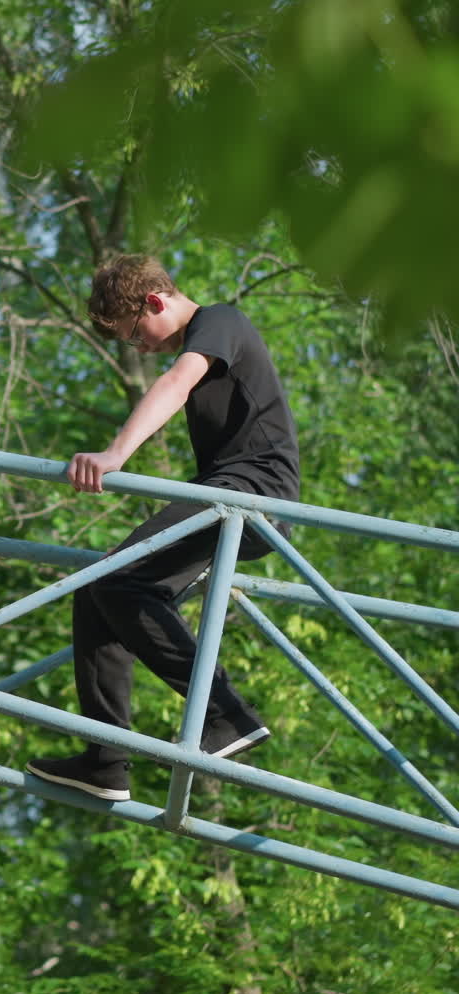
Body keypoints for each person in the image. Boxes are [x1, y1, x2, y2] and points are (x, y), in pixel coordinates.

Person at [26, 254, 300, 801]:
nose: (140, 349)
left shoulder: (220, 321)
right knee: (99, 589)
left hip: (253, 496)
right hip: (227, 496)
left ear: (155, 302)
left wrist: (115, 453)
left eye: (134, 334)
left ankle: (228, 715)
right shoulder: (201, 334)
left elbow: (177, 383)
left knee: (118, 581)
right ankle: (105, 759)